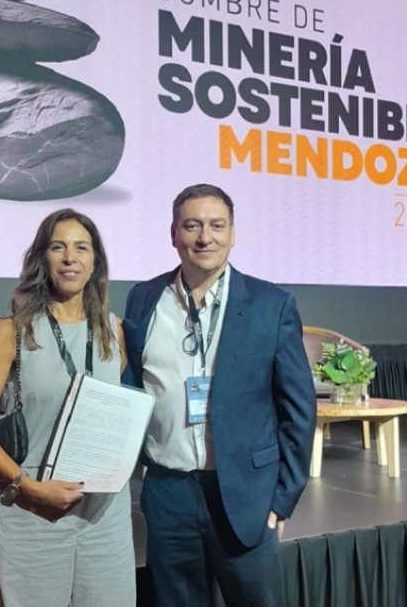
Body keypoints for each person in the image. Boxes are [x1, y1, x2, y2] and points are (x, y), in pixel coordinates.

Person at [122, 184, 317, 606]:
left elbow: (299, 409)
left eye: (216, 225)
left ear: (232, 233)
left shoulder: (271, 305)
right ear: (173, 233)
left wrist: (284, 496)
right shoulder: (143, 299)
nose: (204, 237)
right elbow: (132, 384)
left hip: (245, 496)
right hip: (168, 492)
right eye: (192, 225)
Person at [0, 209, 135, 607]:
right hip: (32, 511)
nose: (70, 257)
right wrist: (30, 488)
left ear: (95, 261)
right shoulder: (13, 332)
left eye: (81, 248)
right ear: (43, 258)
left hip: (104, 518)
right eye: (58, 247)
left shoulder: (115, 331)